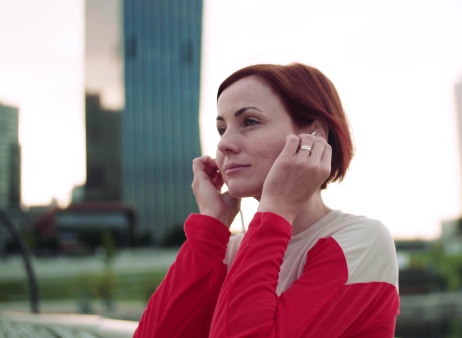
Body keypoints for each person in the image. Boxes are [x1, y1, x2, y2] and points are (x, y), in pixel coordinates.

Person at [134, 63, 400, 337]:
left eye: (249, 121)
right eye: (221, 129)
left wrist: (276, 210)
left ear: (314, 136)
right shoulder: (230, 251)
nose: (224, 143)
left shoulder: (362, 241)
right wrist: (211, 228)